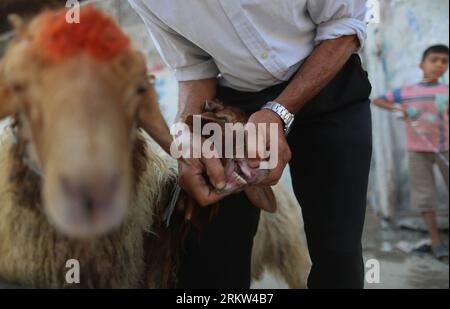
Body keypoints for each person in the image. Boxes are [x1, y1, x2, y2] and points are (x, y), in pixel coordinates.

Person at [130, 0, 372, 288]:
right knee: (209, 256)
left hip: (329, 86)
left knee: (338, 256)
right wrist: (186, 136)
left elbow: (343, 26)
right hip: (233, 108)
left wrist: (278, 111)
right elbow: (194, 68)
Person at [373, 45, 449, 263]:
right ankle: (436, 242)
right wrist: (399, 109)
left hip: (446, 148)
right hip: (417, 151)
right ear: (422, 64)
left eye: (444, 61)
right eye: (434, 60)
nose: (439, 65)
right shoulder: (407, 92)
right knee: (425, 196)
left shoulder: (446, 91)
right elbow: (377, 100)